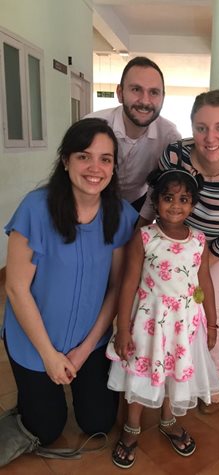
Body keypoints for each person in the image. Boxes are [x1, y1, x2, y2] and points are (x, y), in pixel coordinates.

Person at [2, 118, 138, 449]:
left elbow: (117, 288)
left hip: (89, 342)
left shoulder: (118, 214)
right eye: (83, 156)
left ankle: (63, 381)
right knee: (46, 429)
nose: (95, 168)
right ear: (65, 161)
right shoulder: (36, 208)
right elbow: (16, 289)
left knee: (98, 424)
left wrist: (82, 350)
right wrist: (50, 355)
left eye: (105, 159)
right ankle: (31, 399)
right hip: (35, 344)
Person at [140, 89, 219, 414]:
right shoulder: (175, 154)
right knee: (164, 302)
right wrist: (139, 239)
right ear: (192, 127)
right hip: (174, 238)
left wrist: (200, 263)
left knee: (210, 306)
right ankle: (166, 368)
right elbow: (154, 200)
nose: (210, 137)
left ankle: (216, 375)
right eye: (201, 127)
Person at [106, 167, 219, 469]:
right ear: (156, 201)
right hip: (148, 322)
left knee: (174, 370)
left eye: (184, 199)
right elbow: (129, 283)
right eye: (168, 198)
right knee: (140, 370)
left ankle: (168, 419)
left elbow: (205, 283)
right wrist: (122, 328)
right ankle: (132, 426)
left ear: (193, 204)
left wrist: (211, 323)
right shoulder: (145, 237)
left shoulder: (199, 240)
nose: (176, 205)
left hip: (184, 325)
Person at [85, 56, 181, 211]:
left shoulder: (170, 137)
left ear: (163, 97)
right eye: (136, 89)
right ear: (120, 93)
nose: (145, 101)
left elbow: (164, 186)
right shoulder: (92, 125)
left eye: (154, 92)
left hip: (137, 203)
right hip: (92, 199)